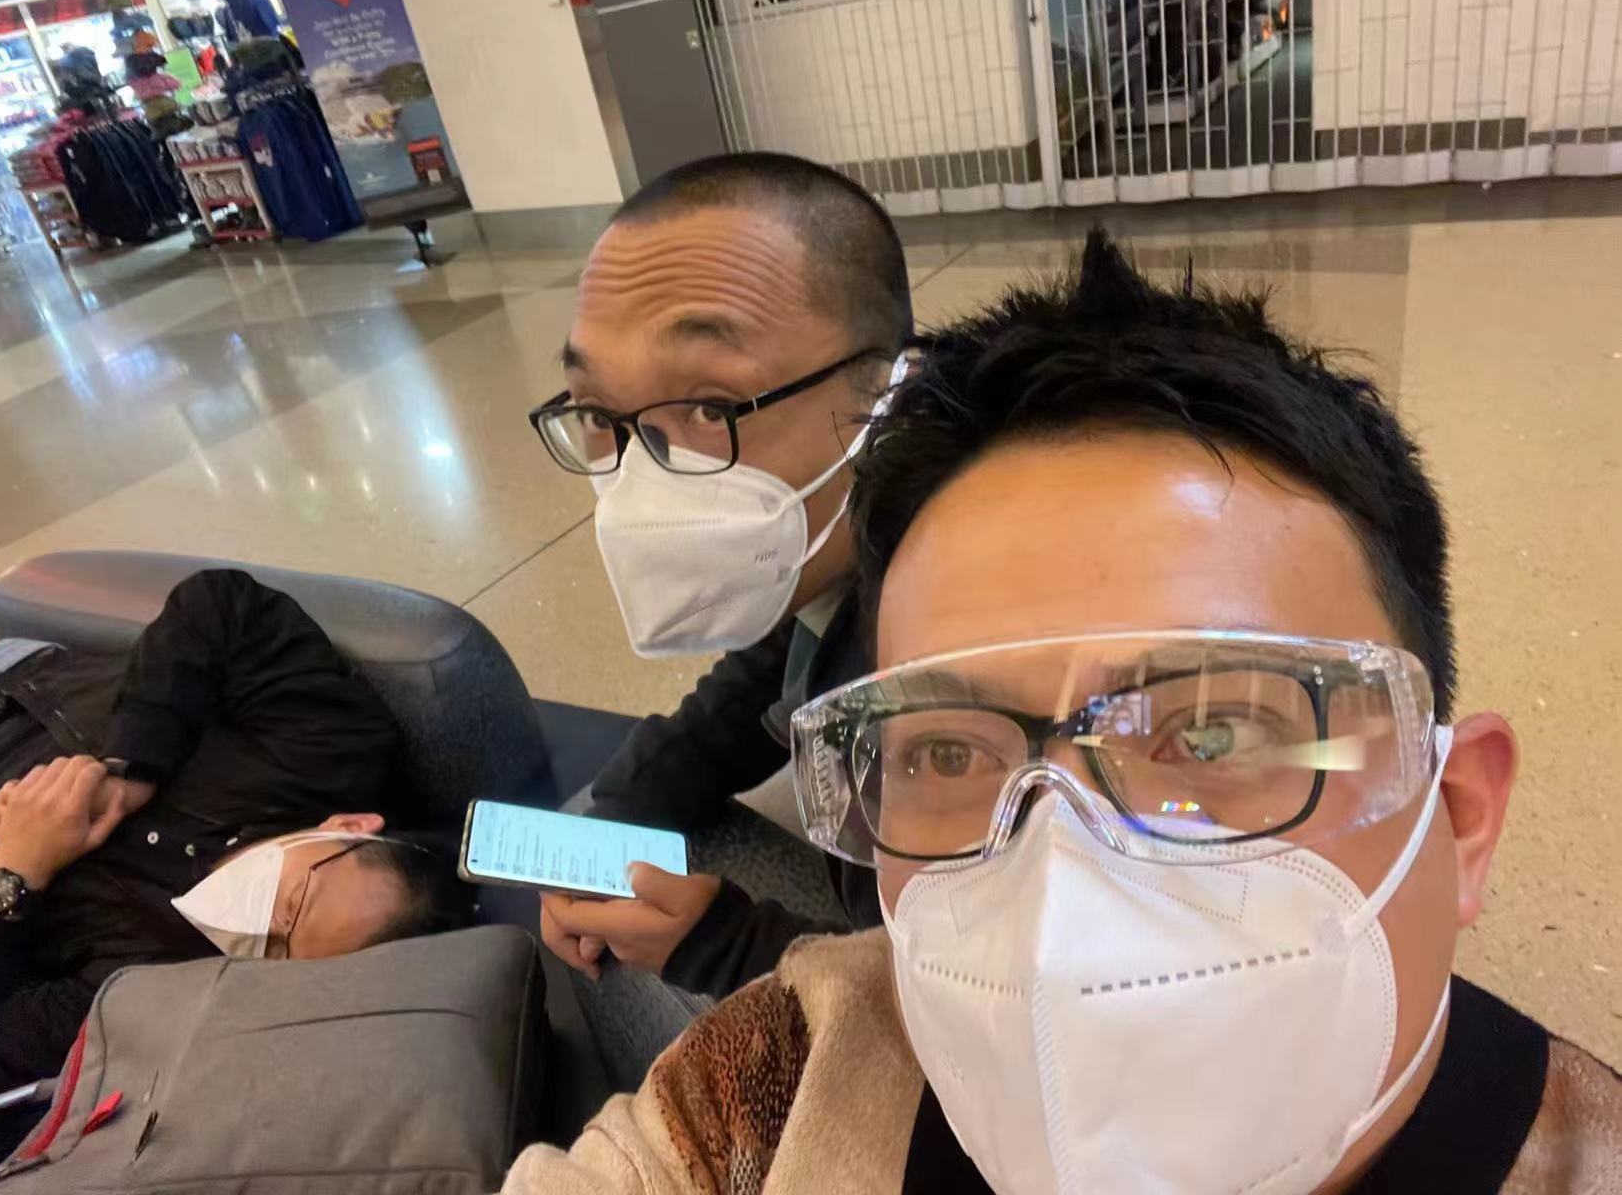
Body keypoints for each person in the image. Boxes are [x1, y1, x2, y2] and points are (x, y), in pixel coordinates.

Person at [505, 231, 1621, 1194]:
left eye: (1211, 732)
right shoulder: (774, 1084)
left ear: (1458, 815)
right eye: (949, 750)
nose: (1061, 903)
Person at [526, 155, 912, 1025]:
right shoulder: (839, 554)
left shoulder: (944, 666)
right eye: (599, 416)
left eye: (708, 408)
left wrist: (725, 943)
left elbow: (970, 1005)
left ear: (891, 394)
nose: (642, 483)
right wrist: (619, 811)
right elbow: (762, 677)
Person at [0, 569, 471, 1172]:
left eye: (276, 952)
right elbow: (223, 606)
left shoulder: (145, 987)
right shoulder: (328, 755)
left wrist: (11, 876)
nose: (255, 924)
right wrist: (130, 768)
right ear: (349, 825)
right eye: (293, 902)